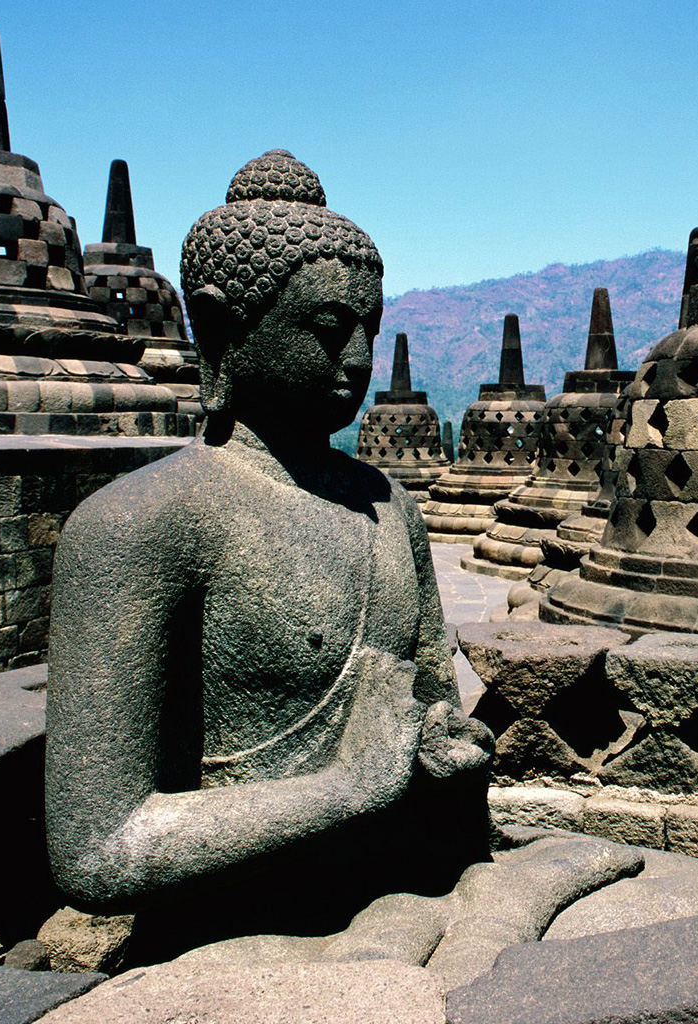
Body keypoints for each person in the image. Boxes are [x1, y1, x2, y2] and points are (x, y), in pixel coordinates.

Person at [44, 151, 492, 947]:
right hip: (229, 938)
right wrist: (345, 791)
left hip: (399, 897)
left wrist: (443, 752)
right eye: (326, 330)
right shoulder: (141, 526)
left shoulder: (390, 509)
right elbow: (96, 850)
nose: (356, 359)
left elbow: (431, 721)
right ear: (221, 329)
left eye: (369, 330)